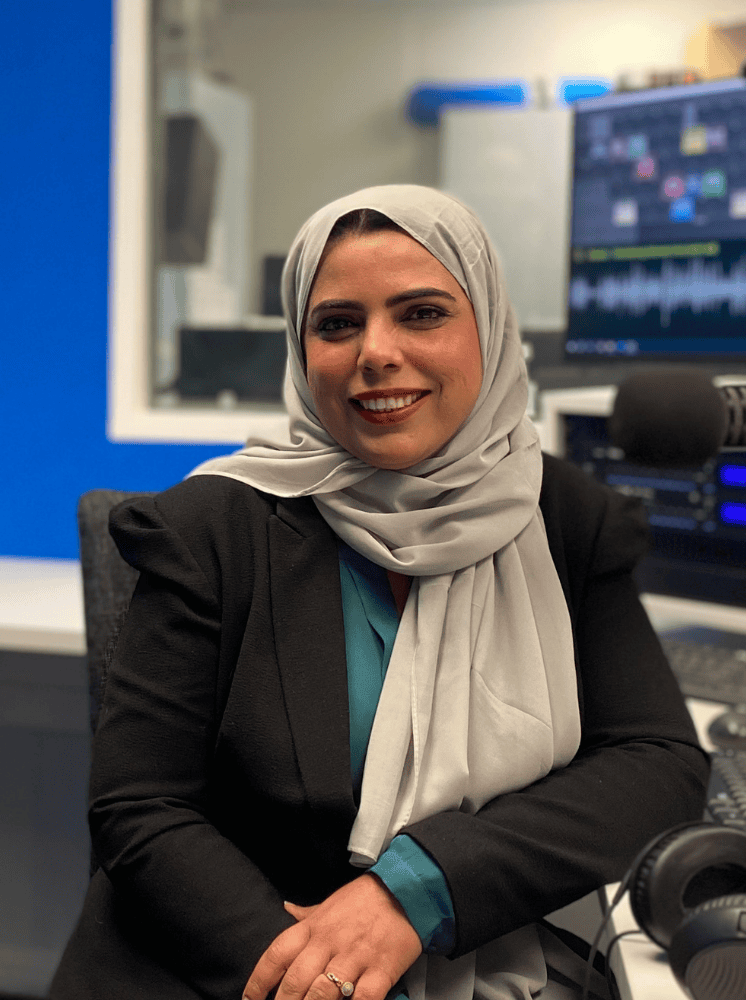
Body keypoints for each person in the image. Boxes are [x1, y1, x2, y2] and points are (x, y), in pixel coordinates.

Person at [50, 185, 708, 1000]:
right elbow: (140, 808)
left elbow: (658, 766)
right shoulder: (212, 527)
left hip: (485, 951)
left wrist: (416, 890)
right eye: (337, 323)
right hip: (233, 970)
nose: (376, 352)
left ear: (490, 330)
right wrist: (315, 976)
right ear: (300, 346)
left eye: (422, 313)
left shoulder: (565, 519)